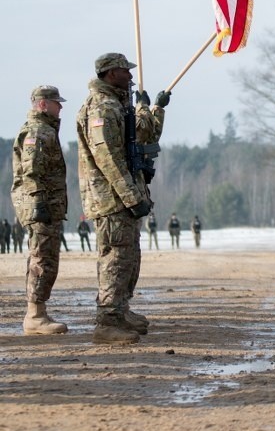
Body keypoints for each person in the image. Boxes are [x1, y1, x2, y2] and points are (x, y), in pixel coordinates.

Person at [77, 52, 169, 345]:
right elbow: (109, 160)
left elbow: (144, 134)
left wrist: (151, 108)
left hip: (121, 197)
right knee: (115, 258)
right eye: (125, 72)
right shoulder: (101, 108)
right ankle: (107, 322)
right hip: (111, 198)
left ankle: (119, 311)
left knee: (126, 255)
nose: (131, 76)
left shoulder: (117, 105)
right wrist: (132, 196)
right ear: (109, 74)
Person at [11, 85, 68, 335]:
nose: (60, 107)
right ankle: (35, 315)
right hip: (40, 205)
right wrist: (38, 202)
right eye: (56, 102)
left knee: (45, 257)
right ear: (43, 104)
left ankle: (37, 312)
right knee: (42, 258)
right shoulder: (37, 131)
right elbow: (31, 170)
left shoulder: (46, 130)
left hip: (47, 204)